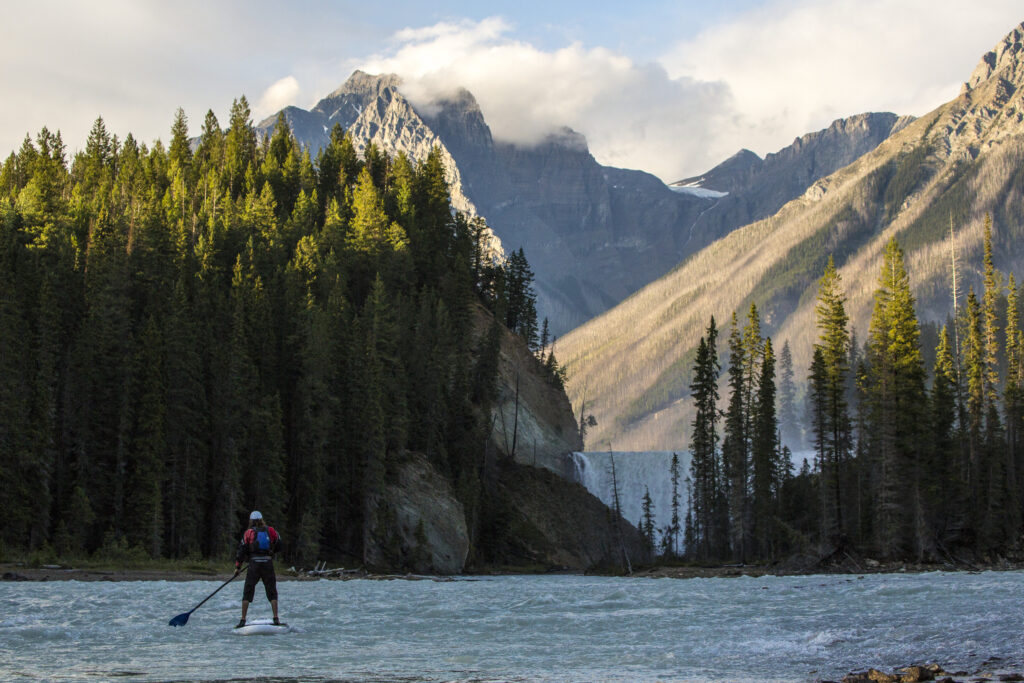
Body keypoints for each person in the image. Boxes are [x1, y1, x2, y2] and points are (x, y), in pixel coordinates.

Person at [234, 510, 283, 628]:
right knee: (272, 591)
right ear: (261, 520)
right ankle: (276, 618)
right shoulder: (271, 531)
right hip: (267, 563)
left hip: (254, 565)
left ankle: (243, 620)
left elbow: (242, 550)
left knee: (248, 591)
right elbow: (280, 544)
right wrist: (271, 552)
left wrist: (238, 567)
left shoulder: (248, 533)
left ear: (251, 521)